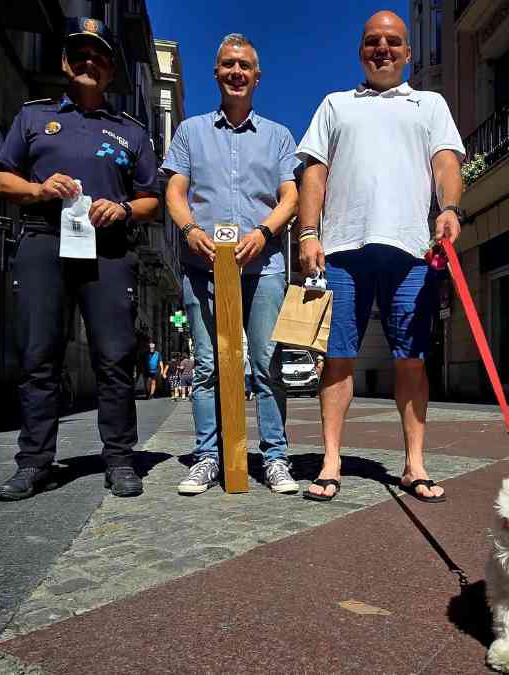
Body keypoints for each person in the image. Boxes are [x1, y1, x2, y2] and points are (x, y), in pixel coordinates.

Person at [297, 11, 465, 503]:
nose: (383, 49)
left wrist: (449, 207)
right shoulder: (335, 104)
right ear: (361, 51)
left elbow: (446, 162)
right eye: (373, 41)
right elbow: (315, 173)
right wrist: (309, 233)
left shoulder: (428, 104)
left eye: (394, 42)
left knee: (411, 361)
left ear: (408, 53)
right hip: (343, 251)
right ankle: (331, 461)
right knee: (339, 358)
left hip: (412, 250)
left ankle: (414, 464)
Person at [0, 17, 158, 500]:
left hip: (108, 253)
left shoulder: (133, 132)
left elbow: (151, 198)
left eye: (100, 57)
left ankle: (121, 460)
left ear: (110, 71)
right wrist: (39, 188)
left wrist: (123, 207)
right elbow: (1, 179)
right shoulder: (32, 117)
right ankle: (34, 462)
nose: (90, 63)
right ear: (66, 62)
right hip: (44, 241)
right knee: (38, 356)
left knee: (114, 359)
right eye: (80, 54)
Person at [163, 33, 300, 494]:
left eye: (244, 66)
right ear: (216, 73)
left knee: (266, 362)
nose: (236, 72)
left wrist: (264, 233)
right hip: (203, 266)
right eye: (228, 65)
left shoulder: (279, 136)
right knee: (206, 364)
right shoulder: (190, 132)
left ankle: (275, 457)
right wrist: (189, 230)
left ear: (256, 77)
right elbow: (176, 191)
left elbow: (291, 196)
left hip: (264, 267)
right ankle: (208, 457)